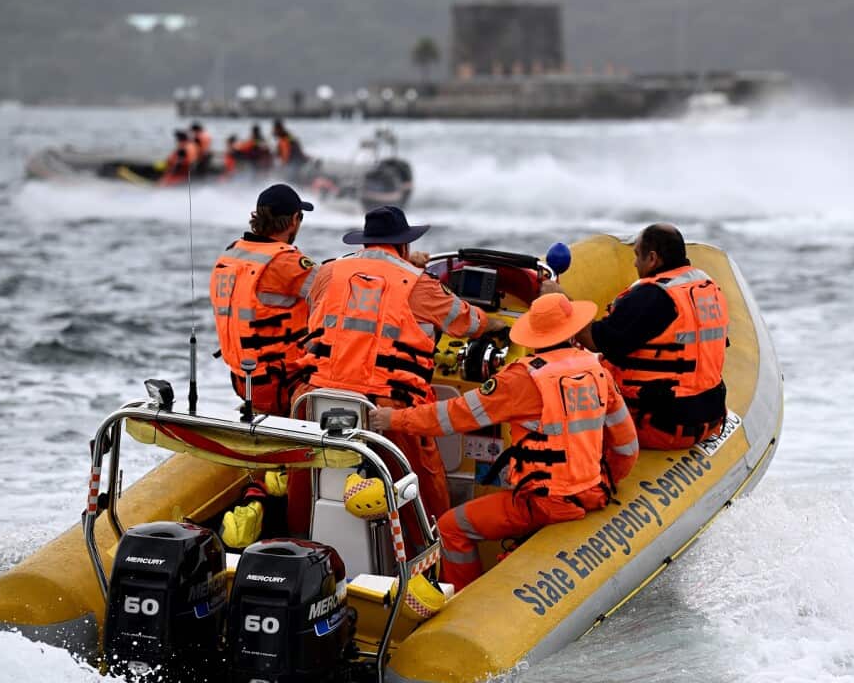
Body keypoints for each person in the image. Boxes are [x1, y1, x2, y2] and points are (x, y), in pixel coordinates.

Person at [369, 293, 639, 590]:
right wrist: (599, 483)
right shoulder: (598, 370)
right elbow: (627, 448)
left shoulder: (521, 379)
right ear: (572, 331)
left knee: (450, 527)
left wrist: (394, 419)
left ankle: (464, 597)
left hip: (543, 503)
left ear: (535, 336)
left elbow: (452, 416)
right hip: (593, 494)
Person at [289, 205, 505, 536]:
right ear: (403, 245)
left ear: (365, 242)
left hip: (315, 400)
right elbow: (469, 322)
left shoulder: (328, 272)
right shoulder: (419, 284)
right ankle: (429, 551)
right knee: (421, 487)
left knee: (306, 482)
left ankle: (300, 538)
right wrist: (498, 325)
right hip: (388, 409)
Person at [543, 224, 728, 450]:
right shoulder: (706, 286)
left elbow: (594, 341)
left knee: (564, 393)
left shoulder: (652, 297)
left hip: (659, 425)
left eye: (637, 255)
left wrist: (560, 300)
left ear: (652, 258)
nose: (634, 263)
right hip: (709, 416)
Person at [209, 184, 317, 416]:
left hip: (243, 380)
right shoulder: (287, 263)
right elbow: (336, 292)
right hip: (284, 384)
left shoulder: (231, 254)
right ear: (294, 220)